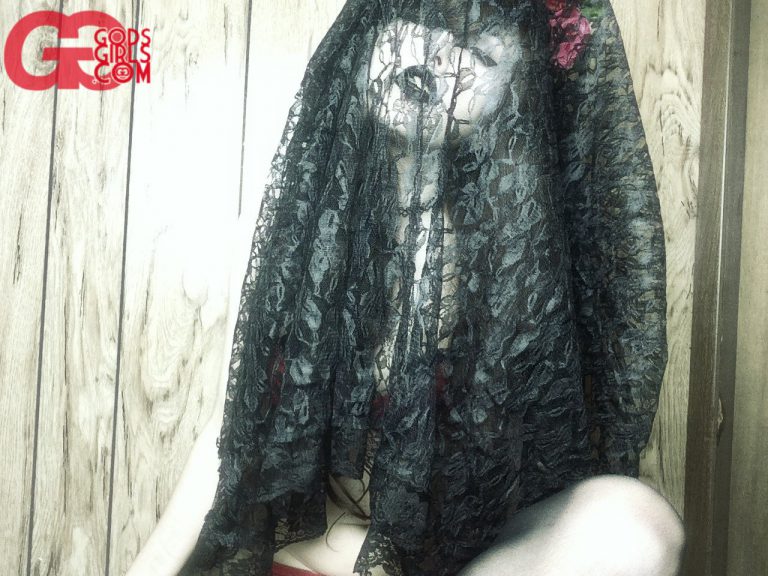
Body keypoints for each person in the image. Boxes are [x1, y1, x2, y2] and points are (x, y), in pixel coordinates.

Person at [127, 1, 685, 574]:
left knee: (636, 524)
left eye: (477, 53)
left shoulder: (517, 265)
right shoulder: (296, 221)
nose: (437, 54)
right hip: (311, 550)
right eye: (423, 19)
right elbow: (231, 429)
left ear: (512, 102)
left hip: (448, 561)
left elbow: (507, 492)